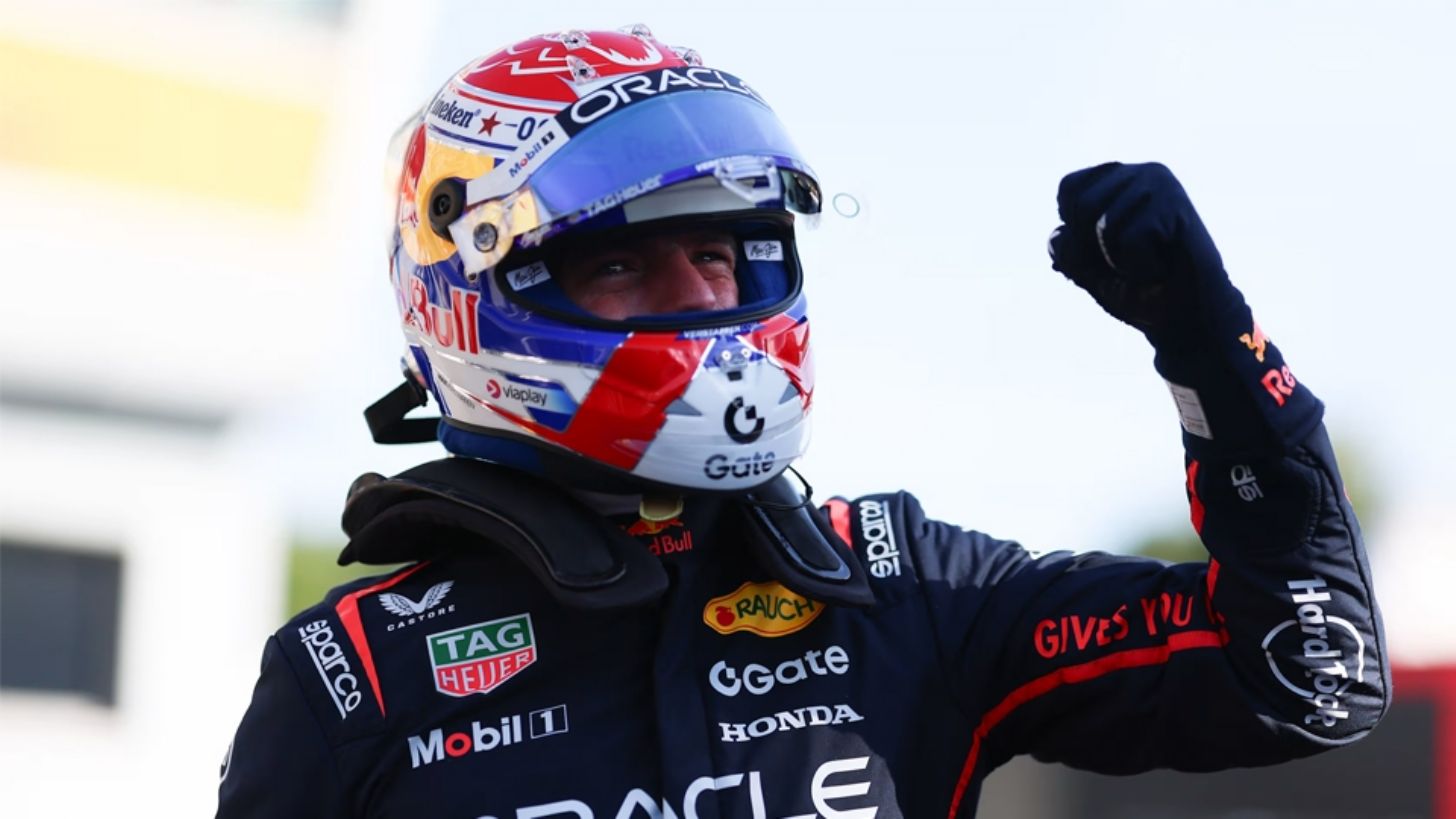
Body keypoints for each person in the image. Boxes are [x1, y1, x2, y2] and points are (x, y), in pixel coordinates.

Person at [216, 25, 1388, 819]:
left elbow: (1310, 680)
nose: (700, 299)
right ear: (477, 298)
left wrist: (1213, 358)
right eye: (624, 262)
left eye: (721, 254)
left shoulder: (902, 593)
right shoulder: (352, 679)